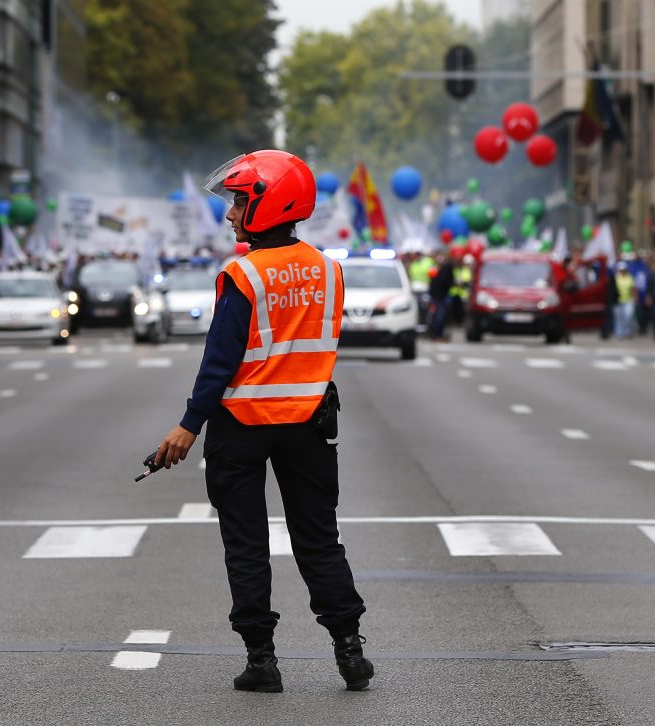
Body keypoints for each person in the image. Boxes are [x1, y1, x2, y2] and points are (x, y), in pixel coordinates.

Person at [154, 150, 372, 694]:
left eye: (238, 203)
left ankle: (262, 661)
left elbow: (219, 360)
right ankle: (350, 652)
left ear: (267, 205)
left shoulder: (242, 273)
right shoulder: (329, 268)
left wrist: (188, 424)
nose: (230, 216)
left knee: (247, 546)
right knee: (320, 541)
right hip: (309, 425)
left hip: (243, 426)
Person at [427, 253, 454, 341]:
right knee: (439, 315)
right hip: (439, 296)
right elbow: (444, 282)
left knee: (439, 315)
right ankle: (436, 334)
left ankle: (437, 334)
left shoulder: (443, 268)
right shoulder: (442, 268)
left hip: (440, 295)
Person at [613, 261, 636, 339]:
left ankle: (628, 332)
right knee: (619, 318)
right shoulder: (615, 278)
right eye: (620, 270)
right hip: (618, 300)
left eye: (623, 270)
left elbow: (633, 289)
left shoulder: (629, 277)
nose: (622, 271)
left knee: (628, 316)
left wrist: (634, 298)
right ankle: (620, 333)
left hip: (628, 300)